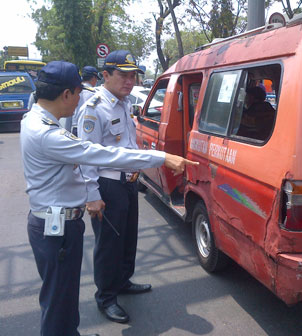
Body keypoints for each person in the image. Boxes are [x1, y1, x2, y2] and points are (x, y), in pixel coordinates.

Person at [20, 60, 197, 336]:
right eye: (79, 91)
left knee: (62, 298)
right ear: (66, 94)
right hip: (58, 226)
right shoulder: (48, 134)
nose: (82, 97)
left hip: (58, 220)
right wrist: (162, 157)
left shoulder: (34, 118)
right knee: (59, 301)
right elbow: (104, 154)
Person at [77, 50, 159, 324]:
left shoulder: (124, 103)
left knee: (127, 239)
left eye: (133, 75)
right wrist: (92, 194)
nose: (130, 80)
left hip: (129, 184)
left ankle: (123, 281)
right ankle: (106, 297)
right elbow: (85, 155)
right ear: (105, 75)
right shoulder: (94, 108)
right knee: (109, 244)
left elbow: (128, 145)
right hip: (107, 185)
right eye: (123, 74)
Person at [60, 66, 101, 135]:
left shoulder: (74, 91)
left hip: (74, 128)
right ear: (93, 78)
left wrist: (67, 131)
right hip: (89, 128)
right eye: (96, 79)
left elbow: (69, 116)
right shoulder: (95, 94)